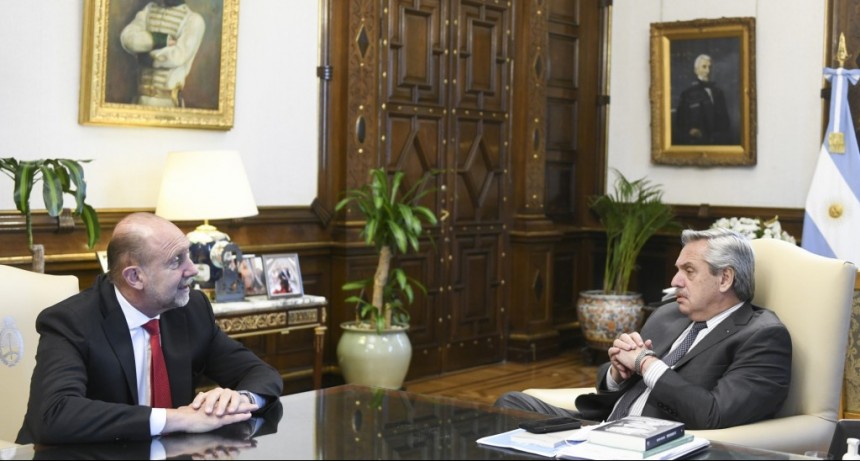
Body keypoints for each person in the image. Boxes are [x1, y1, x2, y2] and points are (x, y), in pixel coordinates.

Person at [16, 212, 283, 445]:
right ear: (135, 277)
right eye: (176, 260)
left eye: (188, 255)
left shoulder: (191, 310)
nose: (192, 269)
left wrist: (239, 399)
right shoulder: (71, 321)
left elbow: (260, 373)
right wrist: (178, 418)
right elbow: (54, 414)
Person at [495, 228, 792, 430]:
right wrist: (617, 372)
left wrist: (646, 364)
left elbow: (713, 414)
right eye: (677, 270)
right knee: (510, 404)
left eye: (688, 271)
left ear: (725, 279)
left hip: (656, 442)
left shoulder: (763, 336)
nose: (675, 281)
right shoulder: (668, 315)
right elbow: (612, 385)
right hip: (604, 426)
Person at [119, 0, 205, 107]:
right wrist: (162, 40)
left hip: (168, 103)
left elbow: (178, 55)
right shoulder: (149, 10)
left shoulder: (194, 20)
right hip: (139, 100)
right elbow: (127, 39)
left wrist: (151, 59)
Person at [673, 54, 733, 145]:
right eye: (704, 67)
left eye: (710, 67)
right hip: (697, 143)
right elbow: (680, 122)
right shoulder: (687, 94)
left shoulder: (719, 92)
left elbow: (725, 120)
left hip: (718, 142)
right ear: (696, 70)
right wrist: (690, 130)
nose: (708, 71)